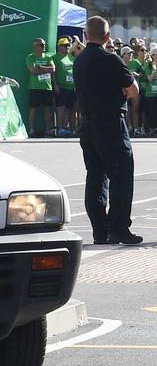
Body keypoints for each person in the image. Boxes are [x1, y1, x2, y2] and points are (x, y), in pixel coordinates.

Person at [71, 16, 142, 245]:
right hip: (110, 123)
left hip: (88, 124)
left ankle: (99, 231)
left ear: (85, 35)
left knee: (95, 178)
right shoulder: (111, 59)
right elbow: (132, 90)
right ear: (108, 37)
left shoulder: (78, 61)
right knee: (121, 176)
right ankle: (119, 228)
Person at [24, 38, 54, 137]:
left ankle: (47, 130)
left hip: (47, 87)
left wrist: (40, 68)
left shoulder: (48, 57)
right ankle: (32, 129)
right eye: (41, 45)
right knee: (33, 108)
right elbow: (33, 71)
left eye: (44, 45)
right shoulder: (31, 57)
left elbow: (53, 69)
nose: (44, 46)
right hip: (35, 87)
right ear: (35, 46)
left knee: (48, 109)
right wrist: (46, 69)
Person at [53, 37, 77, 135]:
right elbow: (53, 73)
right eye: (64, 45)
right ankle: (59, 128)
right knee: (60, 108)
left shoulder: (71, 57)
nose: (67, 47)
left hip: (71, 87)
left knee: (68, 108)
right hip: (61, 87)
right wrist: (55, 85)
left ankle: (65, 127)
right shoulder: (55, 57)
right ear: (59, 47)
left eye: (68, 45)